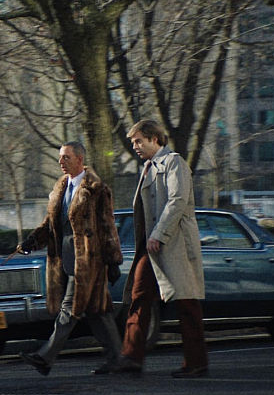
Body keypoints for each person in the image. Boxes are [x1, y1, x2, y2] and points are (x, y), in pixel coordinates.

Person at [16, 141, 124, 376]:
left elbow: (107, 226)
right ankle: (118, 359)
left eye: (65, 157)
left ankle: (45, 357)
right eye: (60, 157)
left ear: (79, 160)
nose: (60, 162)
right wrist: (31, 242)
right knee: (99, 311)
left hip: (88, 261)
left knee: (70, 308)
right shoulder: (61, 188)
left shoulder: (96, 188)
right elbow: (50, 225)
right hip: (65, 260)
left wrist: (114, 259)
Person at [112, 119, 208, 378]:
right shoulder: (148, 168)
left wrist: (158, 234)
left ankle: (196, 362)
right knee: (138, 297)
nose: (135, 147)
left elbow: (177, 202)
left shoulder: (174, 162)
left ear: (155, 139)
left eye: (138, 141)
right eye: (133, 143)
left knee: (187, 303)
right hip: (151, 247)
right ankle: (131, 357)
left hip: (174, 244)